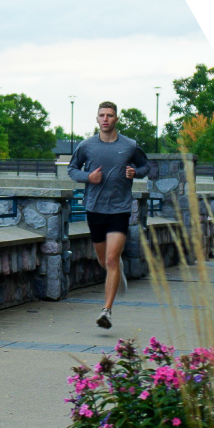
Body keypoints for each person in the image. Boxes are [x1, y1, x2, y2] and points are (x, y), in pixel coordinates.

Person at [68, 101, 150, 329]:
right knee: (104, 261)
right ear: (97, 119)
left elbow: (146, 167)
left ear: (116, 119)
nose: (105, 119)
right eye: (102, 115)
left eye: (110, 115)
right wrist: (88, 177)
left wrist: (135, 172)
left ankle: (106, 311)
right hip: (94, 209)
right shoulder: (86, 146)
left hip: (119, 209)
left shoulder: (130, 145)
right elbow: (72, 169)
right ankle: (117, 271)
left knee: (112, 259)